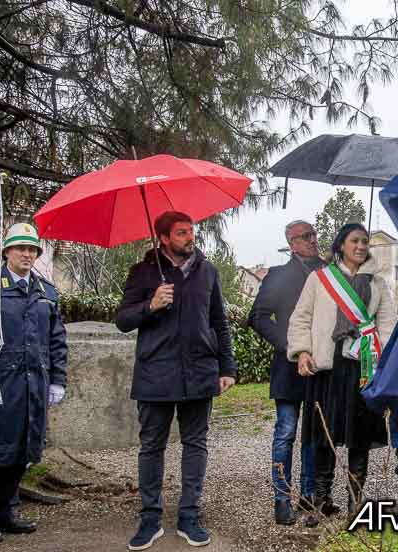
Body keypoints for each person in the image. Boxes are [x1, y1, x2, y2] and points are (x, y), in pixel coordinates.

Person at [116, 211, 236, 551]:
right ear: (164, 238)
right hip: (156, 373)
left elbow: (219, 322)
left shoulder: (207, 271)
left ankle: (189, 516)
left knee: (195, 444)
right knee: (152, 446)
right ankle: (150, 518)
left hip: (199, 372)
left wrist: (227, 368)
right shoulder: (143, 273)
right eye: (182, 233)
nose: (190, 237)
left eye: (191, 231)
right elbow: (123, 320)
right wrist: (150, 305)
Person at [0, 223, 68, 546]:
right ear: (7, 251)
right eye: (21, 248)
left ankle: (7, 511)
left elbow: (57, 339)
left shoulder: (46, 291)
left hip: (32, 384)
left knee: (22, 449)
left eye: (32, 249)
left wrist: (58, 379)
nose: (27, 254)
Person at [287, 223, 395, 526]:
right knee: (325, 436)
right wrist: (302, 351)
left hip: (363, 368)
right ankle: (321, 502)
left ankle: (355, 504)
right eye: (354, 241)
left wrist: (379, 352)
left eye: (364, 241)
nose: (360, 246)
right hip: (328, 367)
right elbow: (301, 318)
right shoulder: (319, 279)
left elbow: (387, 322)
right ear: (341, 245)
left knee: (359, 438)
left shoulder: (377, 283)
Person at [247, 220, 324, 526]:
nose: (313, 240)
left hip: (321, 367)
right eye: (305, 237)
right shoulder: (279, 276)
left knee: (314, 435)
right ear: (292, 243)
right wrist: (289, 344)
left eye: (314, 235)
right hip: (288, 368)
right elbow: (258, 317)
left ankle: (309, 494)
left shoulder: (329, 273)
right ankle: (282, 498)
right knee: (286, 433)